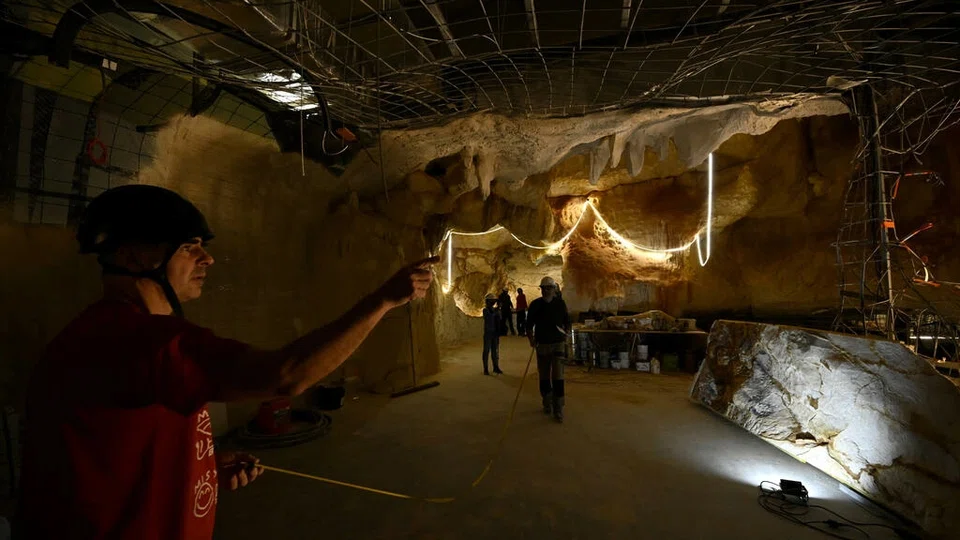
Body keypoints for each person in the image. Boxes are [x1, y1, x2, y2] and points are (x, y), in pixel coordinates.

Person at [18, 185, 437, 540]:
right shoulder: (131, 341)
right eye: (189, 247)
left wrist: (201, 466)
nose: (207, 259)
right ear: (132, 256)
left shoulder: (120, 335)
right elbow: (286, 376)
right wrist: (383, 299)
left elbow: (116, 454)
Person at [525, 276, 570, 422]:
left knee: (558, 376)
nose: (546, 291)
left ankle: (558, 407)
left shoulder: (560, 304)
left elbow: (567, 322)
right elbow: (528, 324)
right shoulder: (535, 304)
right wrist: (531, 339)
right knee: (544, 375)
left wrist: (567, 334)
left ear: (554, 289)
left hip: (558, 343)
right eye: (544, 288)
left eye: (549, 288)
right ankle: (547, 401)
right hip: (542, 344)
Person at [482, 293, 503, 375]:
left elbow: (499, 318)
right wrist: (497, 310)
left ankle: (496, 367)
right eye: (492, 301)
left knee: (495, 351)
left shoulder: (495, 310)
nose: (493, 302)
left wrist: (498, 310)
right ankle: (486, 368)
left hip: (495, 333)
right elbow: (489, 317)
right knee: (486, 351)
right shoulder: (485, 310)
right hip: (488, 333)